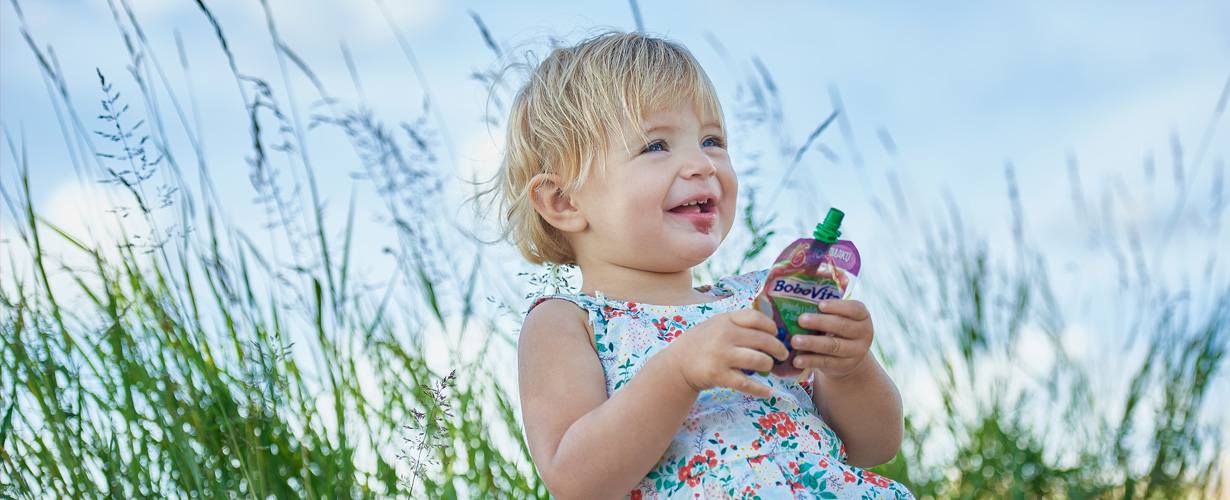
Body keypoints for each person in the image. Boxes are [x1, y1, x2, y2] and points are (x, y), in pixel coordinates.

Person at [492, 30, 914, 500]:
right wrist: (678, 372)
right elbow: (576, 483)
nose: (702, 163)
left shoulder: (762, 298)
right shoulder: (568, 322)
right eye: (656, 146)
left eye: (712, 139)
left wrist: (849, 369)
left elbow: (875, 446)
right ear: (564, 201)